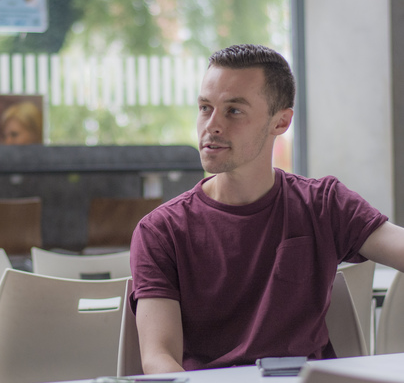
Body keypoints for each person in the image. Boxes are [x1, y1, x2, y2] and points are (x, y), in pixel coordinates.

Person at [130, 43, 404, 374]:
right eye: (205, 107)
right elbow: (158, 358)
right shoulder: (161, 231)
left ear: (281, 122)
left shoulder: (323, 204)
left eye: (233, 111)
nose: (211, 126)